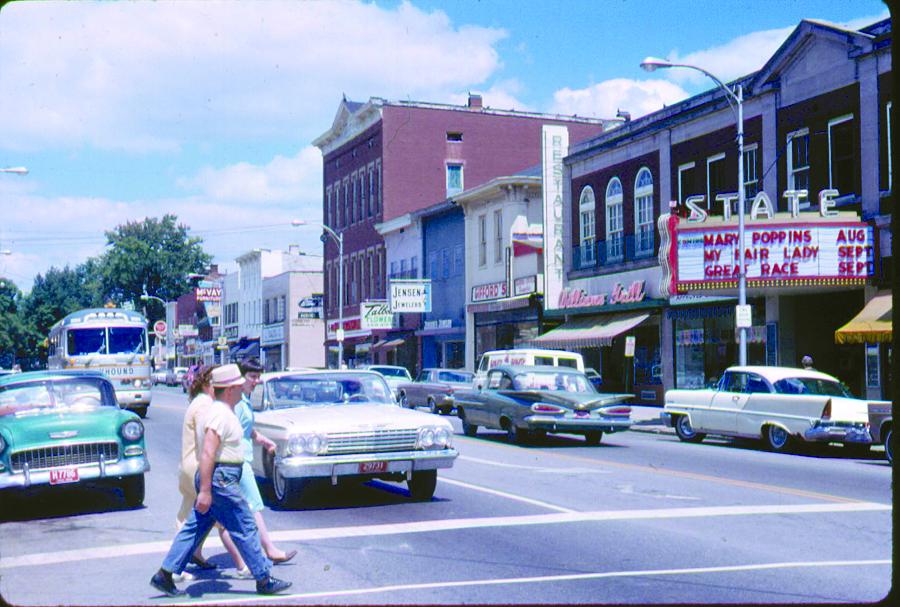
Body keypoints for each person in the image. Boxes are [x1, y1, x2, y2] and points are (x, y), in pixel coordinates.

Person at [150, 364, 291, 597]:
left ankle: (164, 574)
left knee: (196, 527)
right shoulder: (219, 414)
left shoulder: (224, 410)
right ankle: (263, 579)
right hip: (221, 479)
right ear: (228, 390)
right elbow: (208, 452)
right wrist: (205, 490)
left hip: (220, 478)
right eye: (238, 386)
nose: (243, 387)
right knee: (245, 524)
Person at [174, 366, 244, 581]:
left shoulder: (199, 402)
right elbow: (206, 442)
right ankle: (244, 566)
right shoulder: (205, 405)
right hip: (198, 465)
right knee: (214, 517)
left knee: (190, 516)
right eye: (215, 383)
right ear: (207, 384)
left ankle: (190, 557)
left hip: (189, 464)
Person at [234, 358, 297, 568]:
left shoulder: (243, 400)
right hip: (236, 461)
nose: (255, 381)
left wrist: (261, 439)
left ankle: (185, 556)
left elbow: (245, 429)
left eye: (257, 377)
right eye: (252, 377)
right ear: (240, 376)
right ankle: (269, 550)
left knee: (208, 517)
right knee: (254, 505)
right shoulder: (236, 402)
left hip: (239, 459)